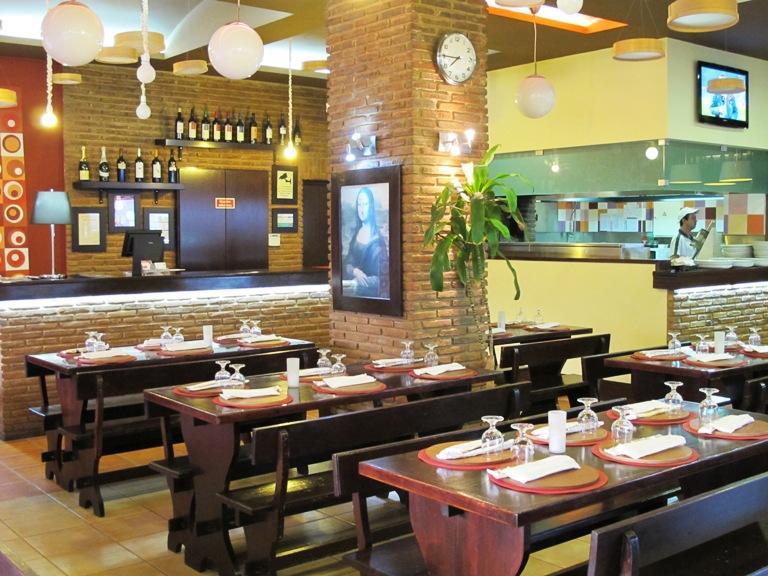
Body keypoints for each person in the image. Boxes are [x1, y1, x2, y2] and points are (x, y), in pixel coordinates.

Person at [343, 186, 389, 298]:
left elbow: (383, 279)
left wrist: (360, 281)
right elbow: (347, 263)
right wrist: (354, 271)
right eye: (359, 204)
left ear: (371, 206)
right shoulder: (356, 235)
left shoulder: (378, 241)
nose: (362, 209)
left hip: (371, 297)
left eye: (365, 204)